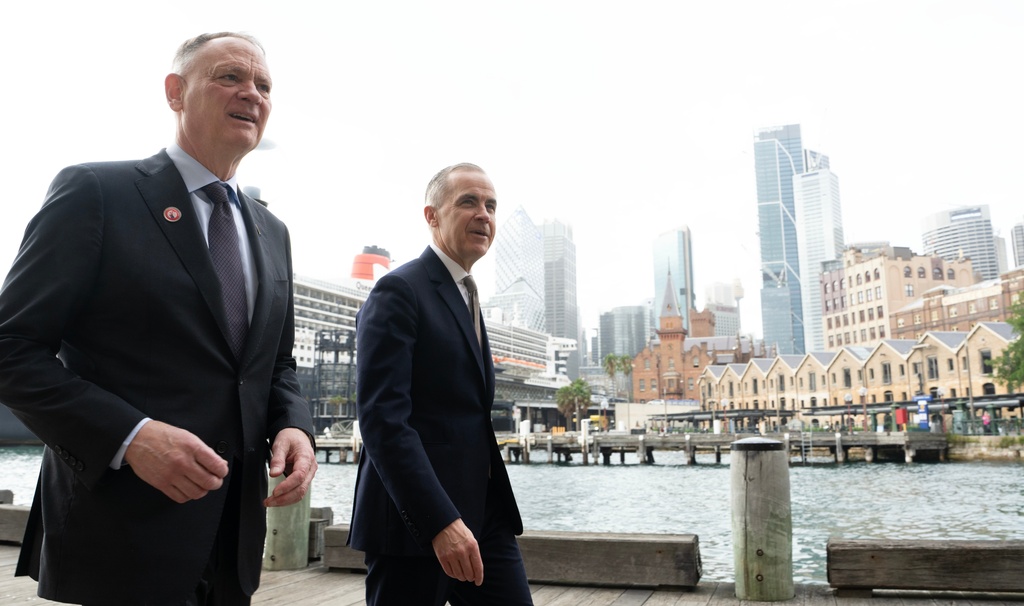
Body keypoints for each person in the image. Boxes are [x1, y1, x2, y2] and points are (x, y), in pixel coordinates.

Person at [0, 32, 317, 605]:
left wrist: (294, 425)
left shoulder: (274, 232)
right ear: (175, 92)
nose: (252, 93)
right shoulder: (97, 192)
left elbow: (276, 365)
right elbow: (11, 348)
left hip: (232, 545)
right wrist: (130, 436)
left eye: (264, 86)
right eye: (230, 77)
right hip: (119, 537)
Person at [349, 164, 533, 605]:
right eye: (468, 202)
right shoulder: (399, 290)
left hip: (484, 513)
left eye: (491, 205)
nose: (484, 215)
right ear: (431, 216)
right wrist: (438, 522)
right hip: (415, 519)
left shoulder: (466, 293)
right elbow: (382, 421)